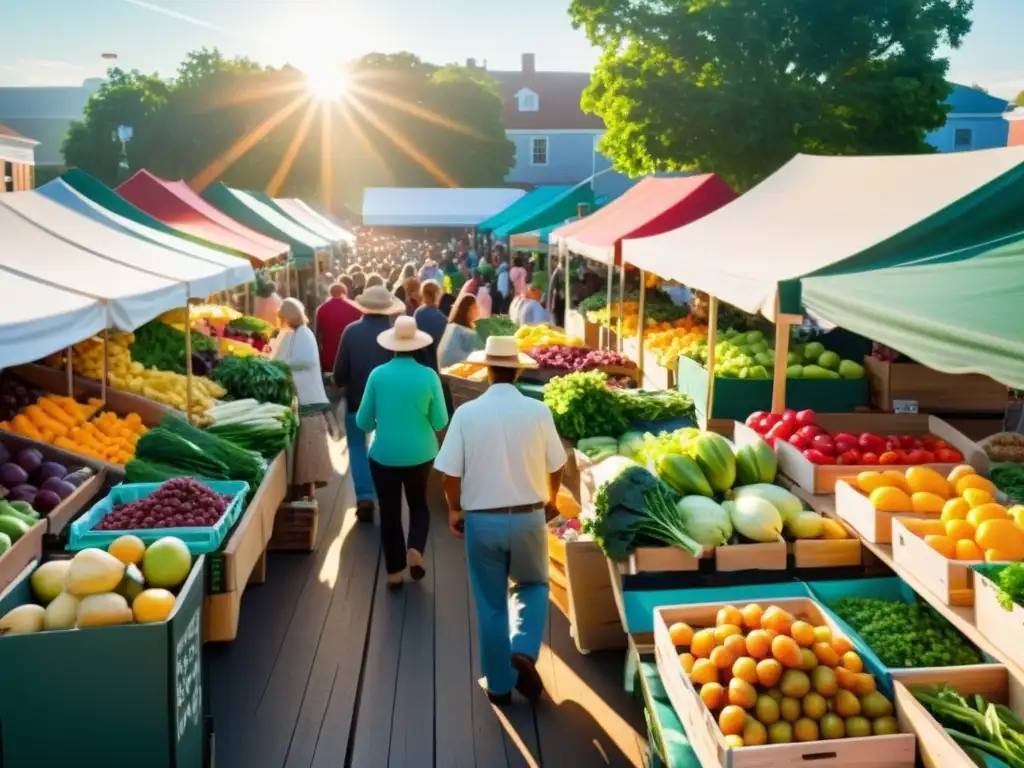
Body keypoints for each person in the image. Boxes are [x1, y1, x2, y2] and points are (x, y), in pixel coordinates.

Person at [433, 335, 566, 704]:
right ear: (518, 368)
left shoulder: (467, 413)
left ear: (486, 369)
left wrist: (454, 508)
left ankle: (499, 686)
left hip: (482, 521)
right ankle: (523, 648)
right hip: (528, 517)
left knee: (491, 603)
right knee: (534, 584)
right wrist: (551, 499)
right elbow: (557, 464)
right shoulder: (538, 412)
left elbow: (448, 473)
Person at [357, 316, 449, 588]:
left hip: (383, 454)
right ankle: (415, 549)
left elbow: (363, 421)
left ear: (391, 346)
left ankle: (394, 573)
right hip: (421, 454)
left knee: (389, 512)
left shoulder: (377, 375)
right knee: (419, 505)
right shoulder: (429, 376)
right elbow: (440, 421)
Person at [333, 285, 407, 522]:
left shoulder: (351, 332)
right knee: (385, 449)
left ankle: (364, 496)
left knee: (356, 448)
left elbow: (339, 373)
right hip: (390, 405)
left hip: (357, 401)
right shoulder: (396, 334)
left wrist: (340, 382)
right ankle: (385, 494)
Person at [273, 298, 334, 498]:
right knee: (303, 450)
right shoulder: (296, 333)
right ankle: (303, 487)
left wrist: (281, 364)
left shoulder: (304, 334)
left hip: (309, 400)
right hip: (301, 398)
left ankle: (307, 489)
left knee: (309, 449)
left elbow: (304, 361)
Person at [314, 282, 362, 373]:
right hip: (349, 358)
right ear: (345, 292)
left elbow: (317, 336)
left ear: (330, 293)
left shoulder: (321, 309)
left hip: (329, 358)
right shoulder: (355, 308)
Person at [437, 294, 484, 369]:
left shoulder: (450, 327)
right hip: (456, 374)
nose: (478, 311)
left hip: (442, 371)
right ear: (469, 309)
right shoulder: (468, 333)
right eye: (476, 307)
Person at [414, 280, 448, 365]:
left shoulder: (418, 313)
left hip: (419, 359)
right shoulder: (441, 318)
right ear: (437, 294)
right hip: (434, 361)